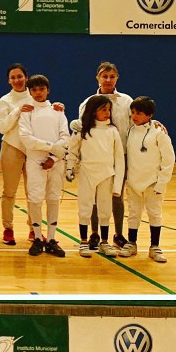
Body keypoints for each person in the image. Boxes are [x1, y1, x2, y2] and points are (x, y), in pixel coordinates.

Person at [77, 62, 133, 252]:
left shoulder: (126, 101)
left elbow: (137, 122)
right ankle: (94, 234)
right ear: (98, 78)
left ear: (117, 78)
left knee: (117, 196)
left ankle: (117, 234)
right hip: (95, 158)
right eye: (104, 76)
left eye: (112, 76)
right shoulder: (88, 102)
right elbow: (82, 129)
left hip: (119, 156)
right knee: (94, 197)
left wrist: (154, 123)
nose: (108, 80)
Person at [18, 74, 70, 257]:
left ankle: (51, 239)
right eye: (34, 90)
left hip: (56, 163)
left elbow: (65, 137)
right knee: (35, 198)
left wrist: (53, 158)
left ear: (48, 90)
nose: (38, 93)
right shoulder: (27, 112)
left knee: (53, 198)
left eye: (41, 89)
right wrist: (51, 147)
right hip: (35, 162)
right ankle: (38, 238)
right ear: (30, 92)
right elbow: (26, 138)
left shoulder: (58, 111)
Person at [67, 95, 125, 258]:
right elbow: (72, 150)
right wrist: (70, 167)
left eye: (109, 110)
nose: (107, 113)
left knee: (105, 209)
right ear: (93, 111)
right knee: (85, 208)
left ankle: (104, 242)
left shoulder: (112, 131)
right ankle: (84, 241)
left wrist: (117, 185)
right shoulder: (83, 131)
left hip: (107, 174)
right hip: (87, 173)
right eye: (103, 110)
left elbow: (119, 159)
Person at [122, 96, 175, 263]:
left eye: (139, 113)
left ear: (149, 115)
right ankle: (132, 243)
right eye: (133, 112)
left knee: (154, 213)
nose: (135, 116)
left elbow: (169, 160)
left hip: (153, 182)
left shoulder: (159, 133)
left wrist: (161, 183)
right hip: (133, 182)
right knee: (133, 214)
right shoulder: (130, 131)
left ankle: (155, 246)